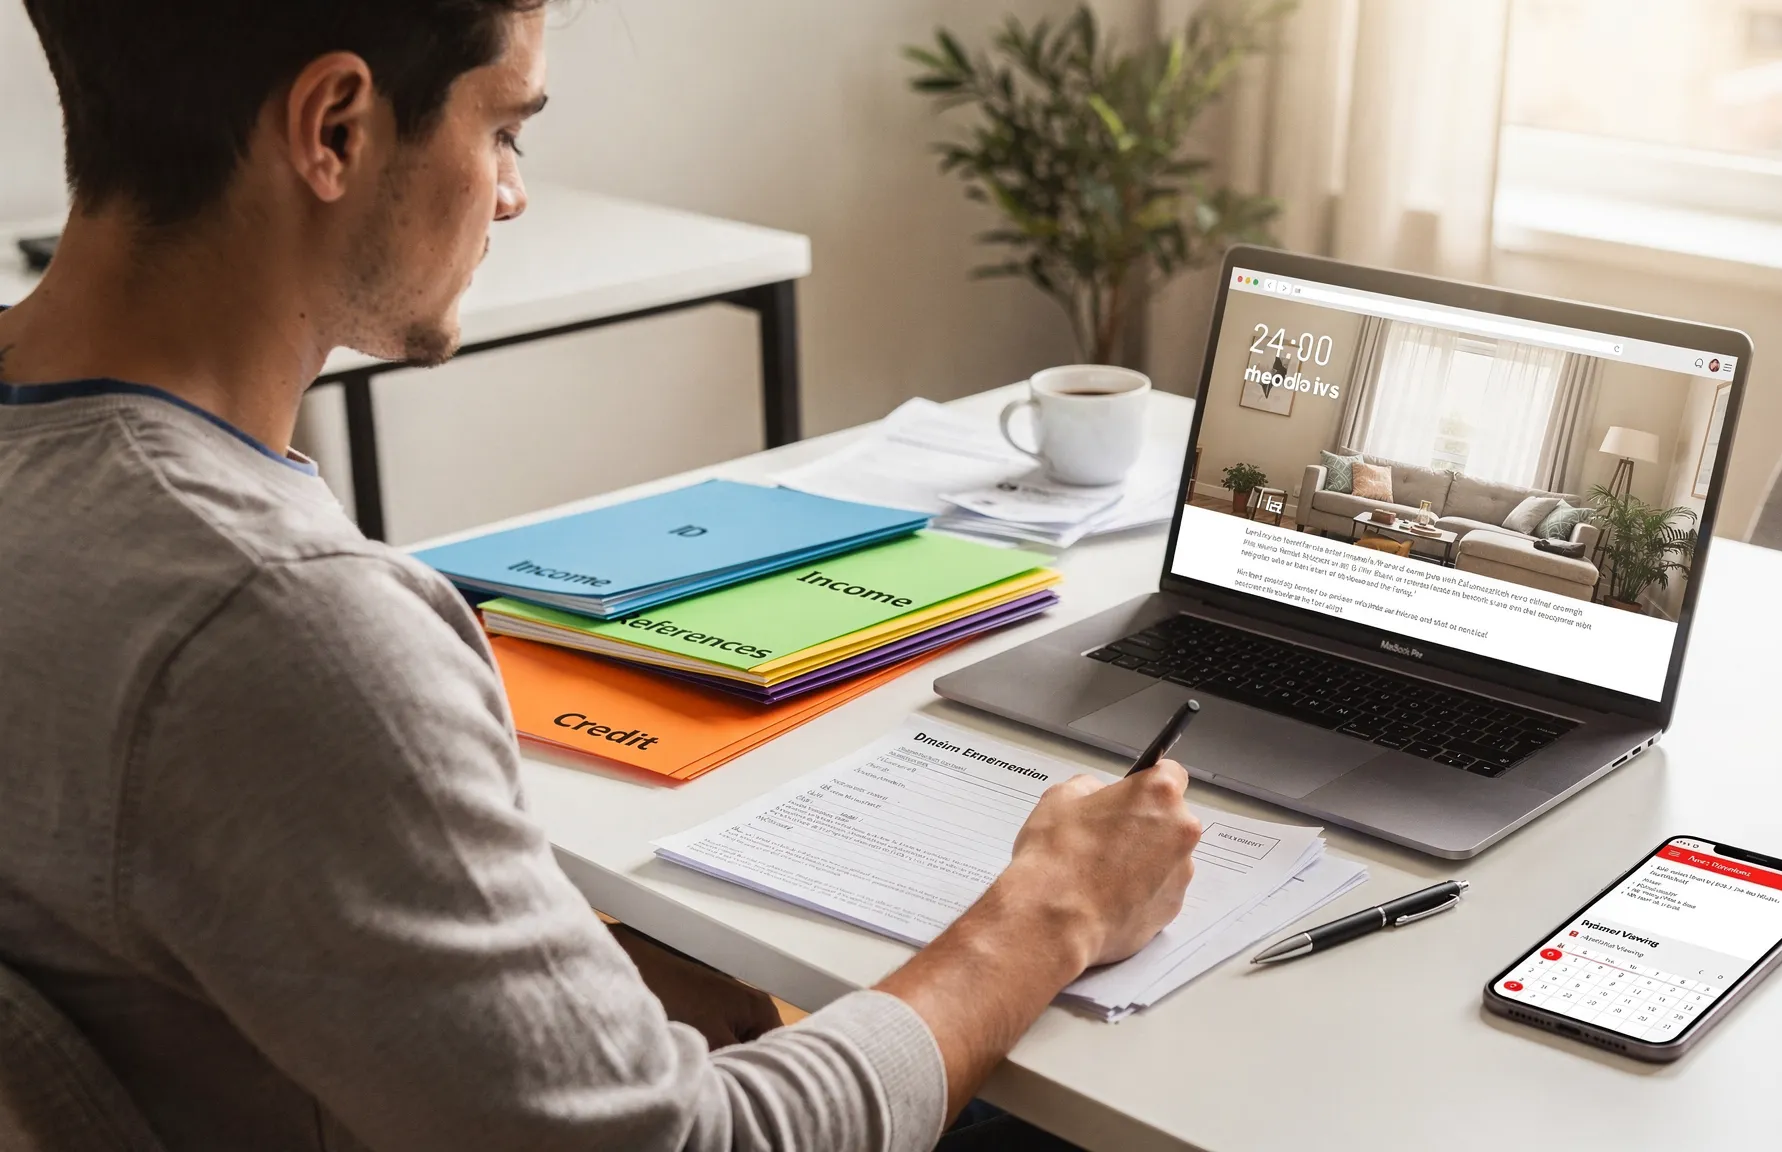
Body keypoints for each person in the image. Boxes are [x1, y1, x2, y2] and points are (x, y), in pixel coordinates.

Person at [0, 3, 1205, 1150]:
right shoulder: (273, 615)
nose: (512, 193)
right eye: (504, 128)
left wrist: (569, 962)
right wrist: (1056, 909)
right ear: (336, 130)